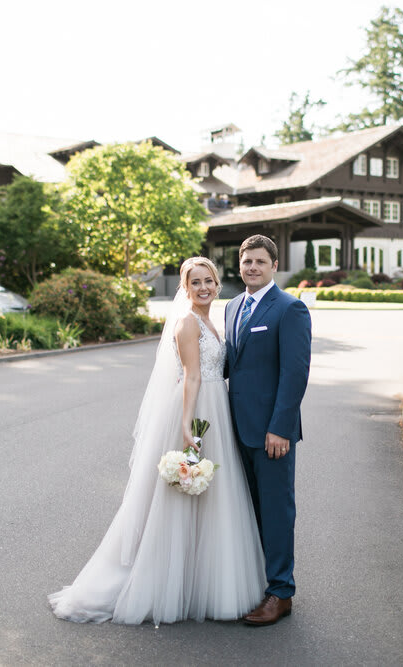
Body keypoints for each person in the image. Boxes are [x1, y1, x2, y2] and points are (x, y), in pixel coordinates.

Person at [48, 257, 265, 625]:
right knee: (182, 499)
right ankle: (161, 583)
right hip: (198, 412)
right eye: (194, 282)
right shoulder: (186, 323)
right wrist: (188, 429)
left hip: (217, 410)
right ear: (185, 288)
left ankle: (203, 580)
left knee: (214, 498)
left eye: (208, 281)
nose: (203, 288)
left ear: (217, 283)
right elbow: (192, 378)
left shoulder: (214, 320)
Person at [224, 235, 312, 626]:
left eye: (260, 261)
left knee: (276, 512)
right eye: (247, 262)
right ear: (239, 265)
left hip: (271, 434)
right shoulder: (230, 307)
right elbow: (229, 366)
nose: (252, 267)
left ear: (274, 265)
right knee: (244, 510)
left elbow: (295, 374)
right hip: (234, 430)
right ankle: (252, 583)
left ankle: (280, 592)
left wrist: (280, 428)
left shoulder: (290, 309)